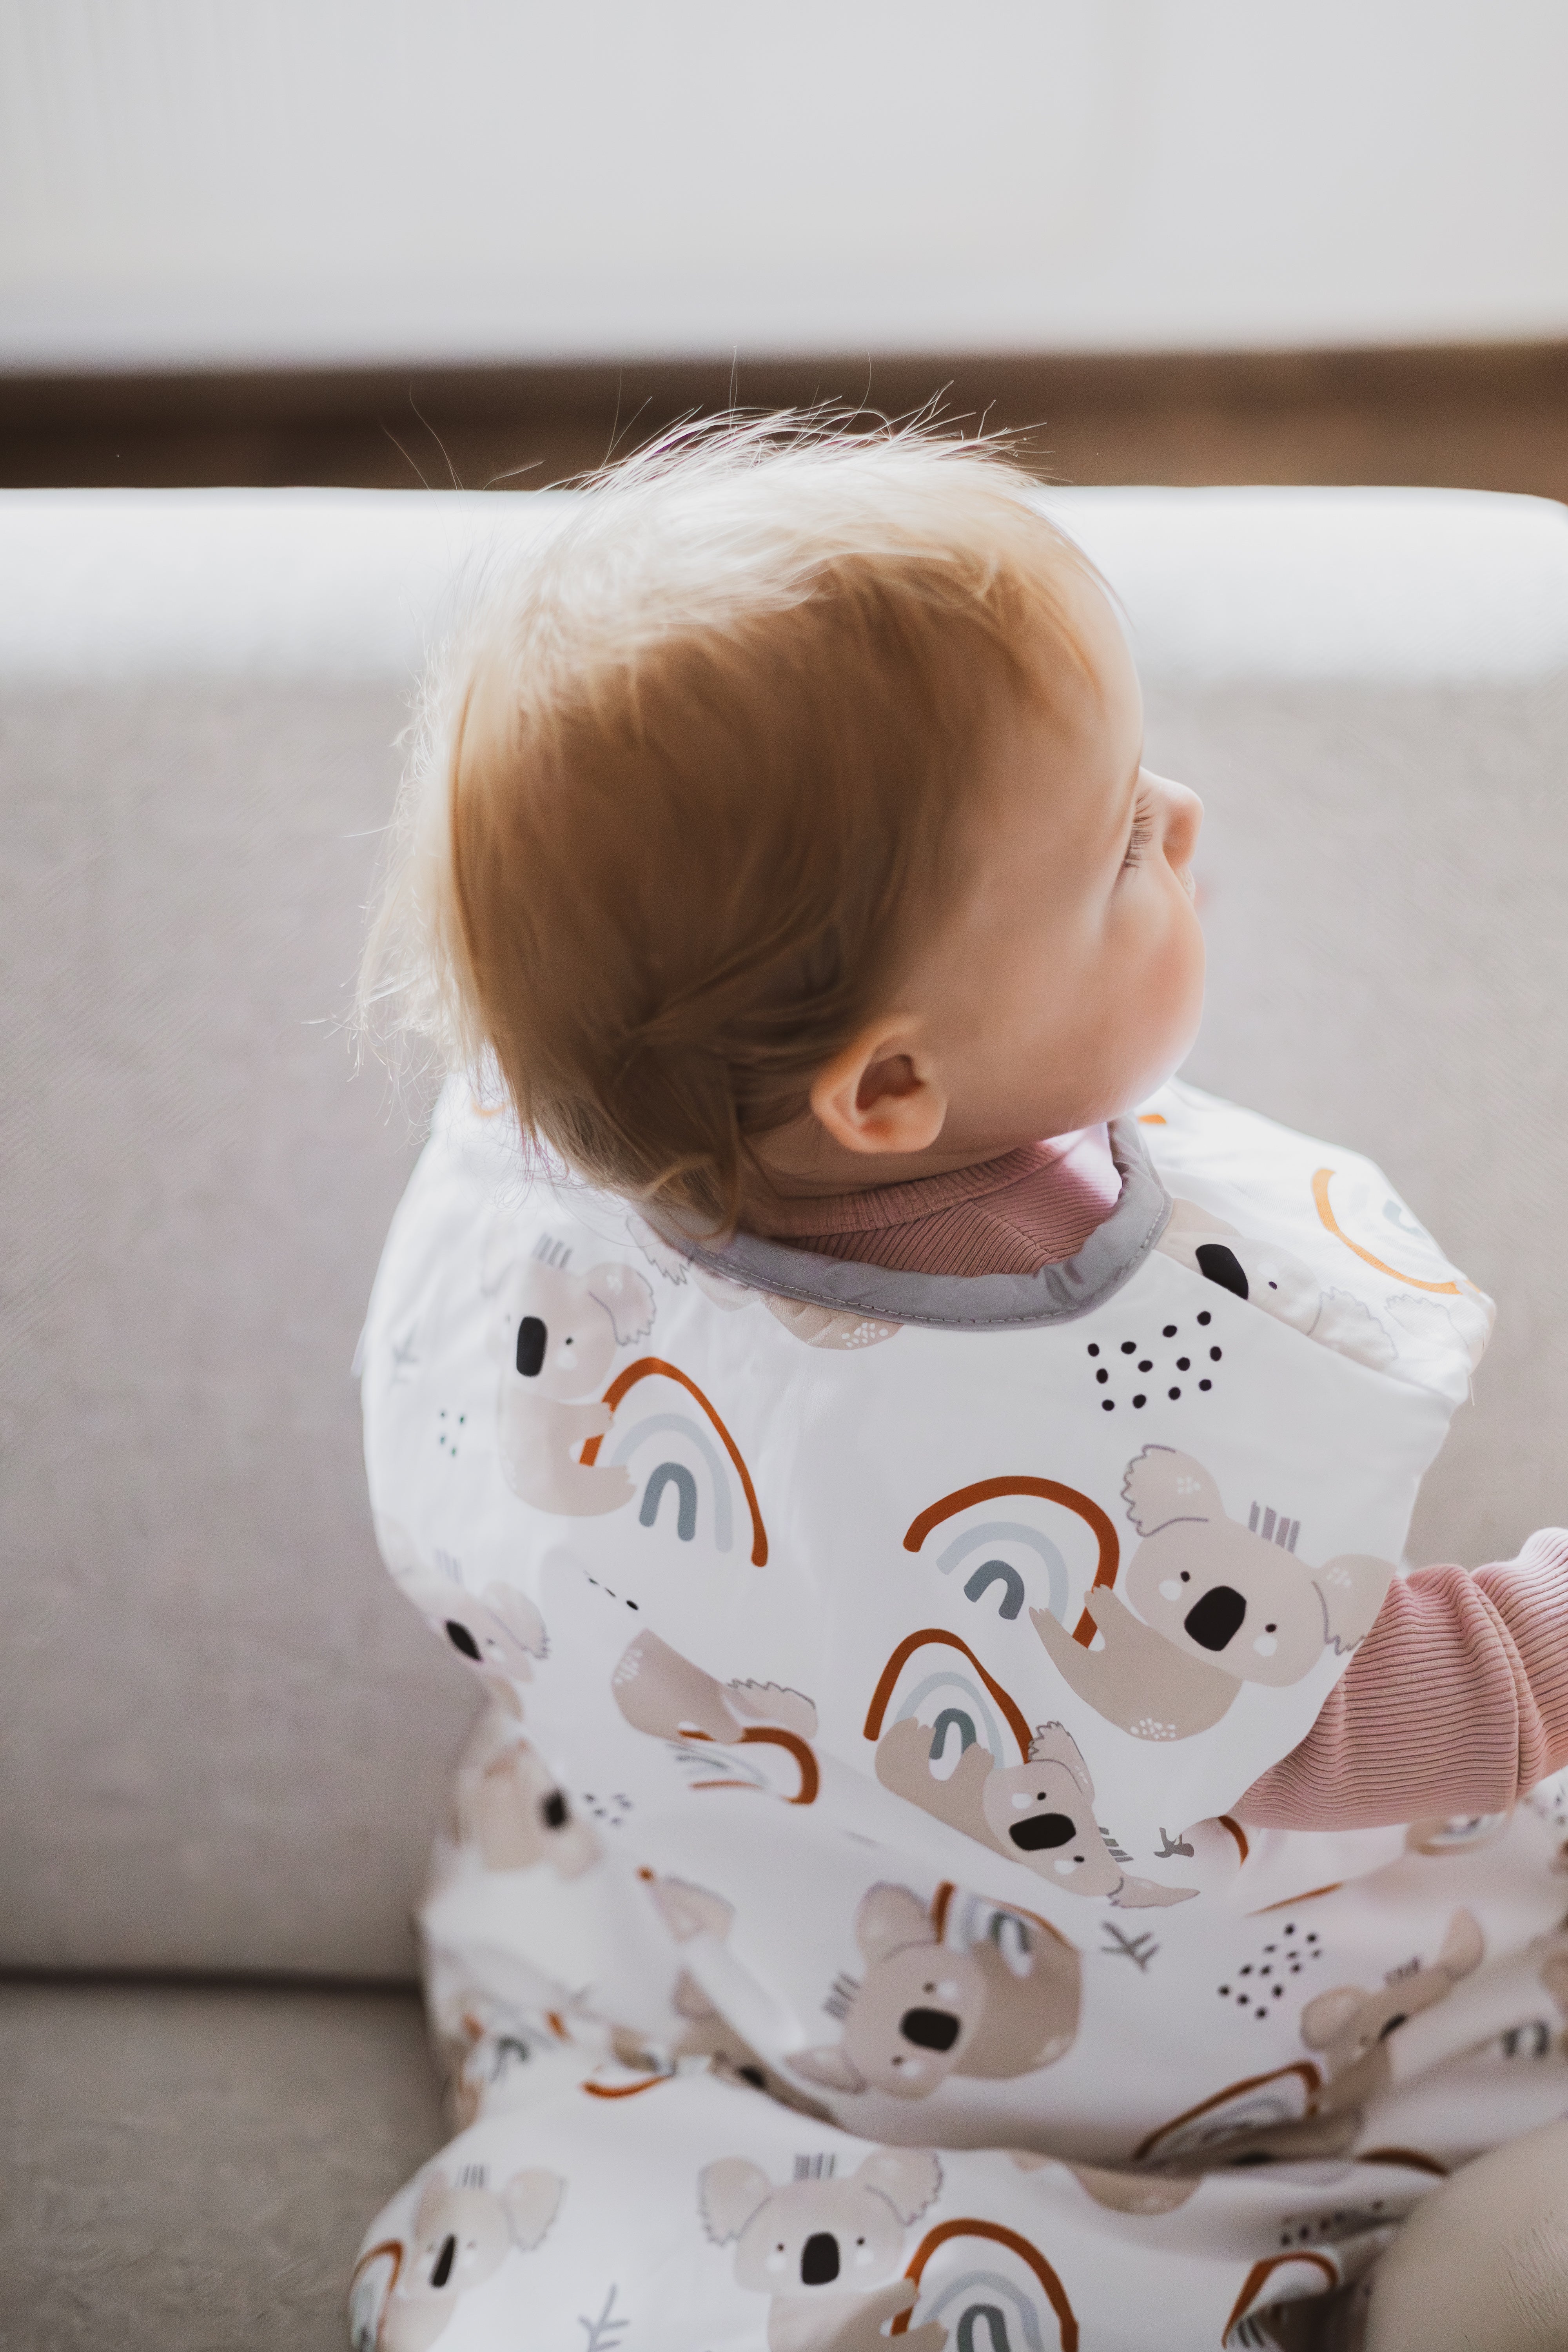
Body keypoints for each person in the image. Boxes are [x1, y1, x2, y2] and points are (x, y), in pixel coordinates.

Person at [349, 419, 1568, 2352]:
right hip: (1076, 2004)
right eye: (1113, 850)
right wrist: (1533, 1640)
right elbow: (1269, 1735)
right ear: (894, 1096)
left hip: (742, 1872)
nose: (1177, 813)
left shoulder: (558, 1133)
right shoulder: (1068, 1401)